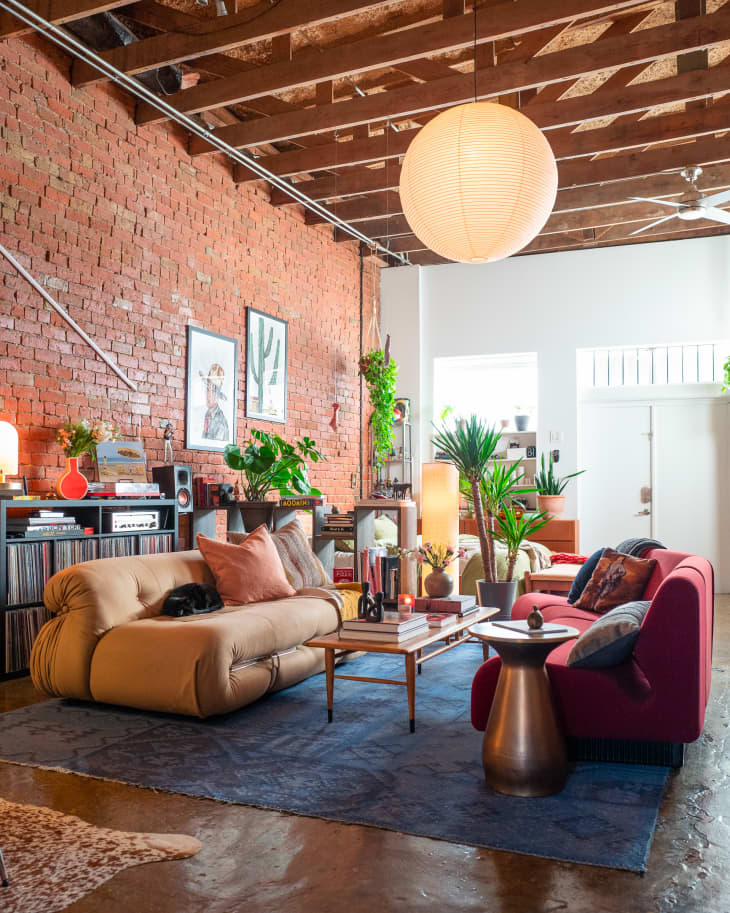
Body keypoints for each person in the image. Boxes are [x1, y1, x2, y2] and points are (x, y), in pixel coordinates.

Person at [199, 364, 229, 441]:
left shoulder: (220, 421)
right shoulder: (207, 414)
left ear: (218, 395)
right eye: (208, 390)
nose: (209, 395)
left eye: (212, 391)